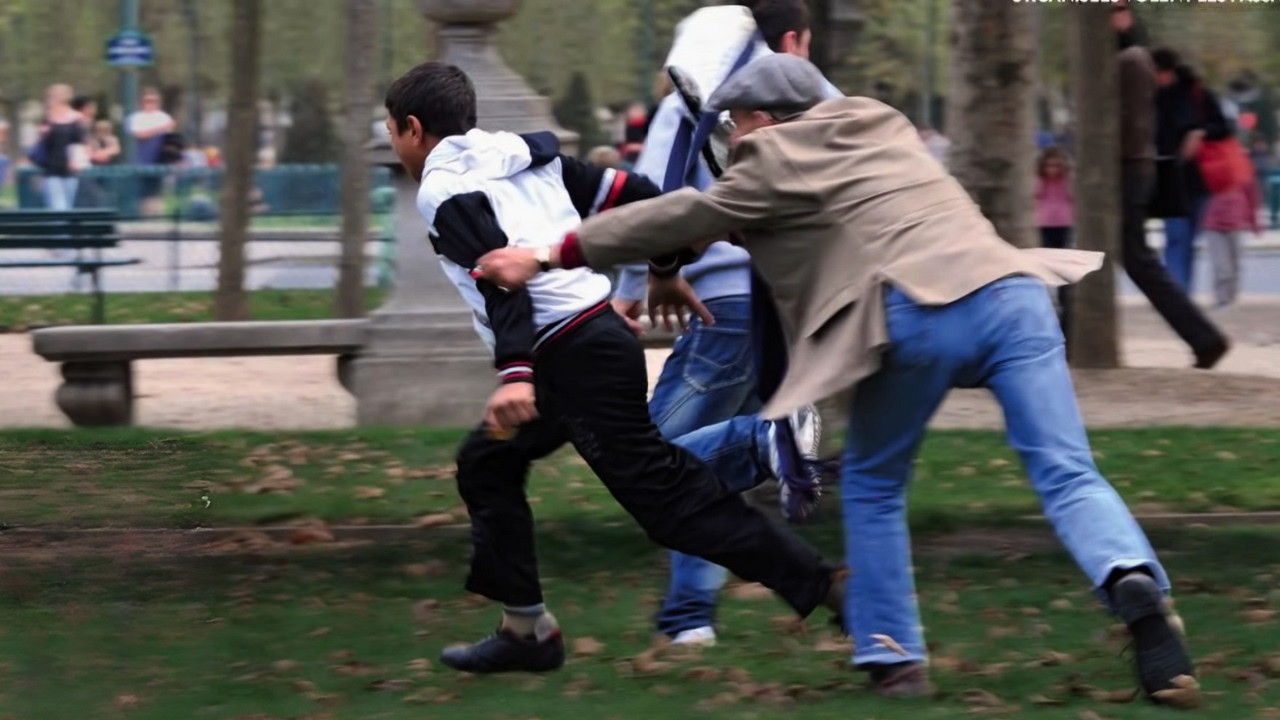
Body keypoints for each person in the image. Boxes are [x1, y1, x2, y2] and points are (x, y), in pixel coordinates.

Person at [474, 53, 1197, 704]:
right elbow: (783, 215)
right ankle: (1129, 579)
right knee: (1067, 470)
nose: (730, 137)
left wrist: (545, 255)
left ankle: (892, 653)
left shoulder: (769, 158)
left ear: (762, 118)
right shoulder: (882, 123)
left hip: (913, 313)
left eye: (735, 124)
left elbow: (687, 212)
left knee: (876, 484)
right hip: (1015, 293)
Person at [383, 61, 843, 675]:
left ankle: (832, 588)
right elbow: (637, 196)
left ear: (413, 129)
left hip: (570, 356)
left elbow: (503, 281)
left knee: (672, 503)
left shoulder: (443, 189)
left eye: (391, 132)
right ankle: (526, 632)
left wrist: (515, 374)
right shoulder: (520, 156)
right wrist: (665, 267)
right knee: (487, 463)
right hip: (587, 340)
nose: (394, 145)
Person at [613, 0, 837, 648]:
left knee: (655, 466)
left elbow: (649, 191)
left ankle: (775, 444)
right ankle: (701, 615)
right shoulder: (824, 101)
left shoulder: (696, 99)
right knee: (701, 474)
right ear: (793, 38)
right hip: (797, 306)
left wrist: (633, 285)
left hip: (727, 305)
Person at [1113, 2, 1229, 369]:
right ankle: (1204, 338)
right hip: (1130, 168)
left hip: (1127, 169)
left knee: (1136, 259)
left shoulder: (1131, 60)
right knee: (1125, 258)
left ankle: (1205, 337)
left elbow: (1132, 124)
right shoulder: (1125, 58)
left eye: (1116, 8)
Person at [1151, 48, 1231, 294]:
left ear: (1167, 71)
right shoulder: (1148, 97)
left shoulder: (1196, 93)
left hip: (1199, 178)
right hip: (1167, 174)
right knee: (1176, 237)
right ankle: (1178, 293)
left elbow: (1224, 127)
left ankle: (1182, 292)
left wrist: (1201, 132)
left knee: (1188, 239)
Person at [1201, 154, 1261, 307]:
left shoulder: (1244, 173)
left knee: (1235, 265)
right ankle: (1222, 299)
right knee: (1221, 266)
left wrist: (1254, 223)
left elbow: (1252, 197)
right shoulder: (1211, 170)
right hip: (1214, 225)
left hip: (1236, 224)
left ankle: (1232, 296)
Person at [1036, 146, 1075, 335]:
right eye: (1049, 165)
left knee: (1062, 278)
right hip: (1044, 226)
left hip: (1064, 226)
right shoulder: (1039, 182)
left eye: (1057, 165)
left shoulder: (1067, 182)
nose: (1052, 169)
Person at [31, 84, 86, 210]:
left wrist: (76, 160)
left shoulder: (76, 118)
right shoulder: (48, 118)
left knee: (68, 206)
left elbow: (80, 142)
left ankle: (64, 230)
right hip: (51, 168)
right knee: (57, 207)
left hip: (70, 168)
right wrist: (42, 133)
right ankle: (59, 230)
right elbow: (40, 143)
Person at [127, 88, 176, 216]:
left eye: (153, 100)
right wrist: (160, 128)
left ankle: (156, 216)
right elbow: (139, 134)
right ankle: (142, 216)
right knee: (142, 191)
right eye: (147, 100)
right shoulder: (137, 118)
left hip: (159, 160)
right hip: (141, 161)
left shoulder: (163, 117)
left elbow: (170, 140)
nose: (150, 103)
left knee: (157, 191)